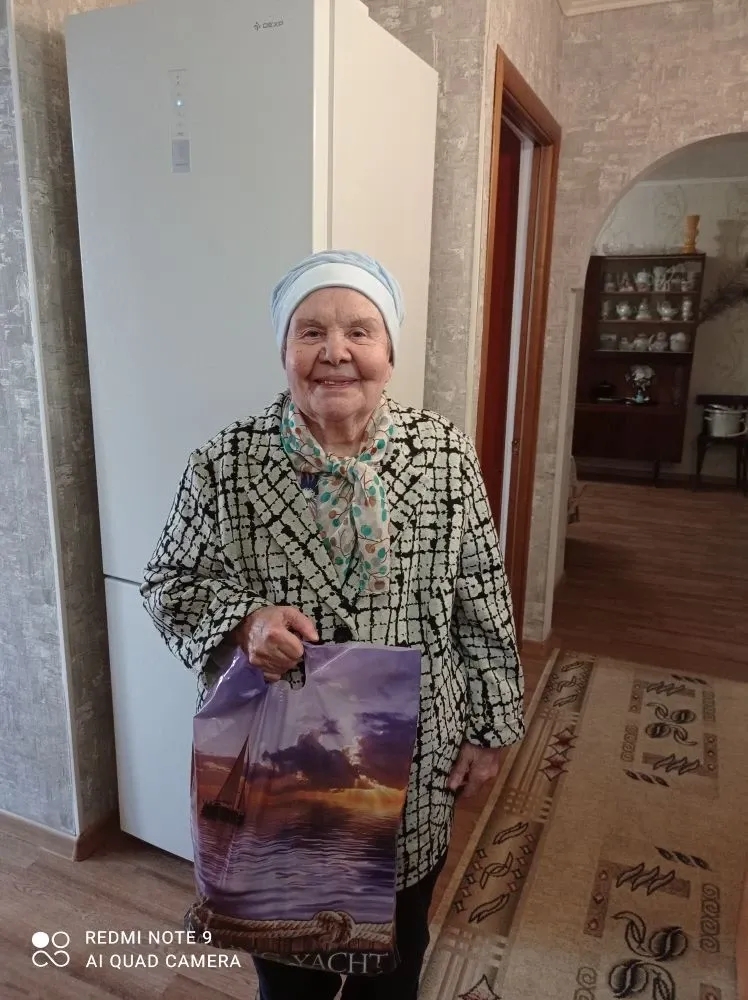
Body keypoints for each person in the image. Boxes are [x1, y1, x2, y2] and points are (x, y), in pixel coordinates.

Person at [141, 249, 525, 1000]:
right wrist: (244, 622)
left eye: (360, 331)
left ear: (389, 352)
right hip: (285, 773)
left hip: (412, 763)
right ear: (284, 351)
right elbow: (168, 582)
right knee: (289, 975)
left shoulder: (444, 455)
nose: (336, 352)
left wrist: (490, 729)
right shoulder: (226, 464)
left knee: (395, 963)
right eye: (311, 332)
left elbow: (481, 599)